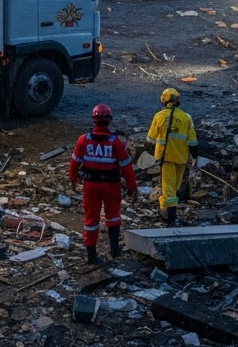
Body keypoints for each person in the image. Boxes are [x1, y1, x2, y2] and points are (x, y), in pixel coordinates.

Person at [69, 104, 138, 264]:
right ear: (110, 120)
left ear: (93, 120)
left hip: (91, 186)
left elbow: (74, 163)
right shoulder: (116, 142)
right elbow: (126, 167)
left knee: (91, 219)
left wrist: (73, 179)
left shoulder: (83, 140)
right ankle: (114, 249)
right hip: (111, 186)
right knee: (113, 216)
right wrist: (132, 187)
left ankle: (91, 255)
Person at [145, 89, 198, 227]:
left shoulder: (159, 116)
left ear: (164, 100)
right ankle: (167, 211)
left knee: (168, 188)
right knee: (174, 186)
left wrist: (148, 155)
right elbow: (192, 141)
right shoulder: (186, 117)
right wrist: (195, 157)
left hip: (166, 157)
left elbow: (150, 139)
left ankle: (170, 217)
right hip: (181, 157)